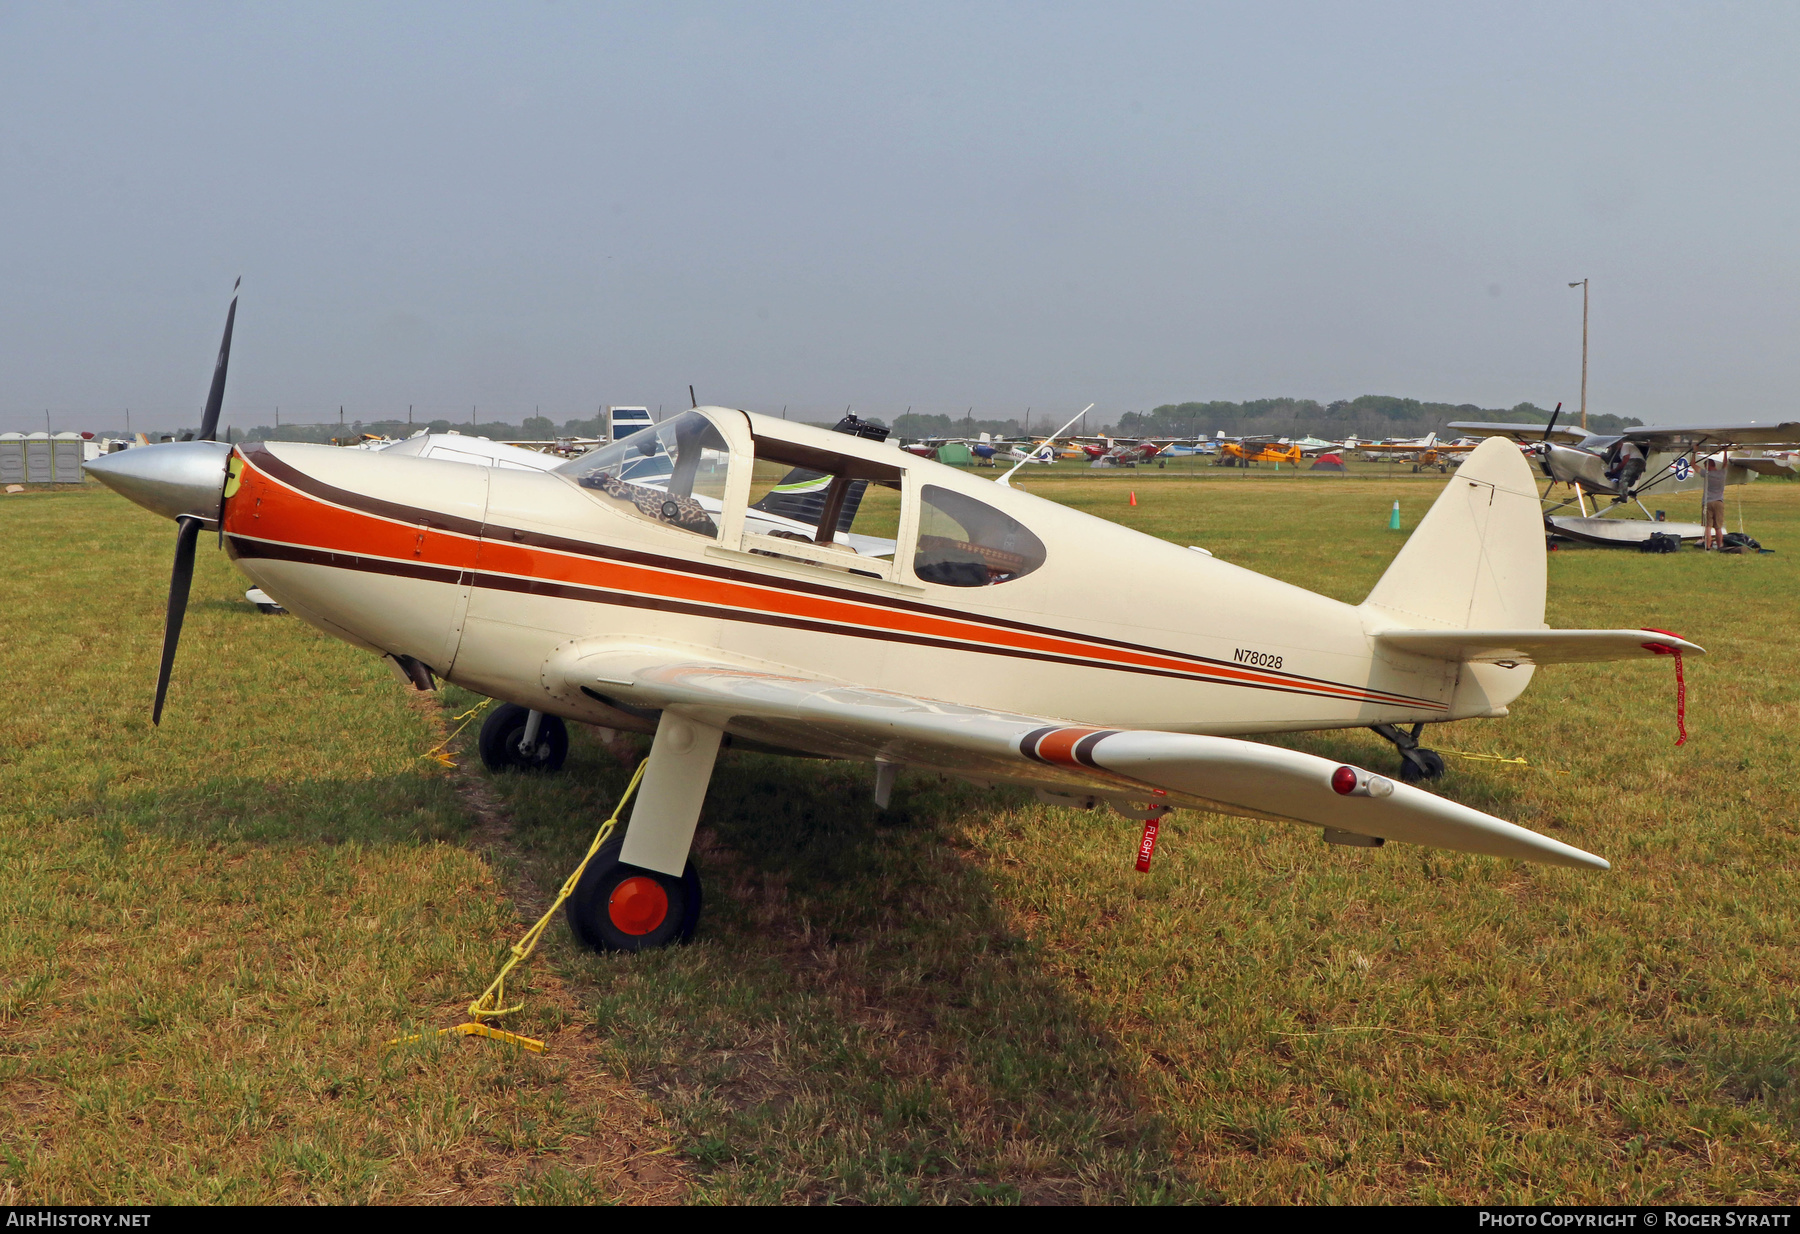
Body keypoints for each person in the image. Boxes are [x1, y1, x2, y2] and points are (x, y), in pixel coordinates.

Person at [1701, 452, 1728, 550]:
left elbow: (1693, 465)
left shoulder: (1706, 474)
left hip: (1707, 502)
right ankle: (1720, 546)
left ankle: (1708, 546)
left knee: (1708, 526)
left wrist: (1694, 452)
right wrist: (1725, 452)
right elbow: (1725, 463)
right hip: (1719, 502)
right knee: (1718, 527)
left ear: (1707, 466)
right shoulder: (1722, 473)